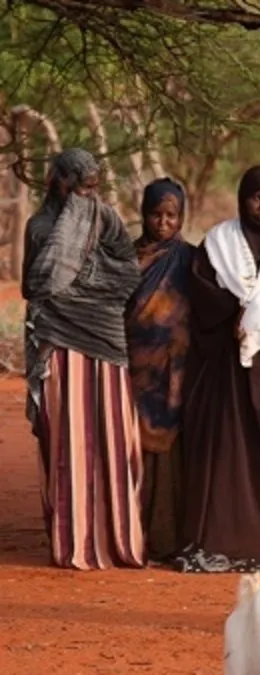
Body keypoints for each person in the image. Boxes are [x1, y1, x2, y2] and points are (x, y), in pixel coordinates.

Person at [174, 166, 260, 573]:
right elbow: (201, 290)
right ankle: (223, 536)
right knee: (227, 446)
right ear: (243, 198)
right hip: (228, 364)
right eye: (257, 198)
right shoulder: (218, 242)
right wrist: (236, 314)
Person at [22, 147, 144, 570]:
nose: (87, 194)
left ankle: (116, 539)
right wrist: (80, 288)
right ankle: (72, 540)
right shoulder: (38, 226)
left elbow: (128, 273)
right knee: (66, 441)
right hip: (58, 342)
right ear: (60, 181)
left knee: (112, 438)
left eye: (94, 185)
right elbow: (35, 284)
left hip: (106, 340)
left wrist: (82, 287)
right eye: (81, 185)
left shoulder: (106, 217)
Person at [125, 178, 193, 561]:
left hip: (176, 370)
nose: (163, 222)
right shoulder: (126, 258)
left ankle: (167, 540)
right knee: (131, 447)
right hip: (135, 369)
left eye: (171, 215)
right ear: (143, 214)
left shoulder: (190, 259)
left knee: (169, 456)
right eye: (156, 214)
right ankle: (131, 536)